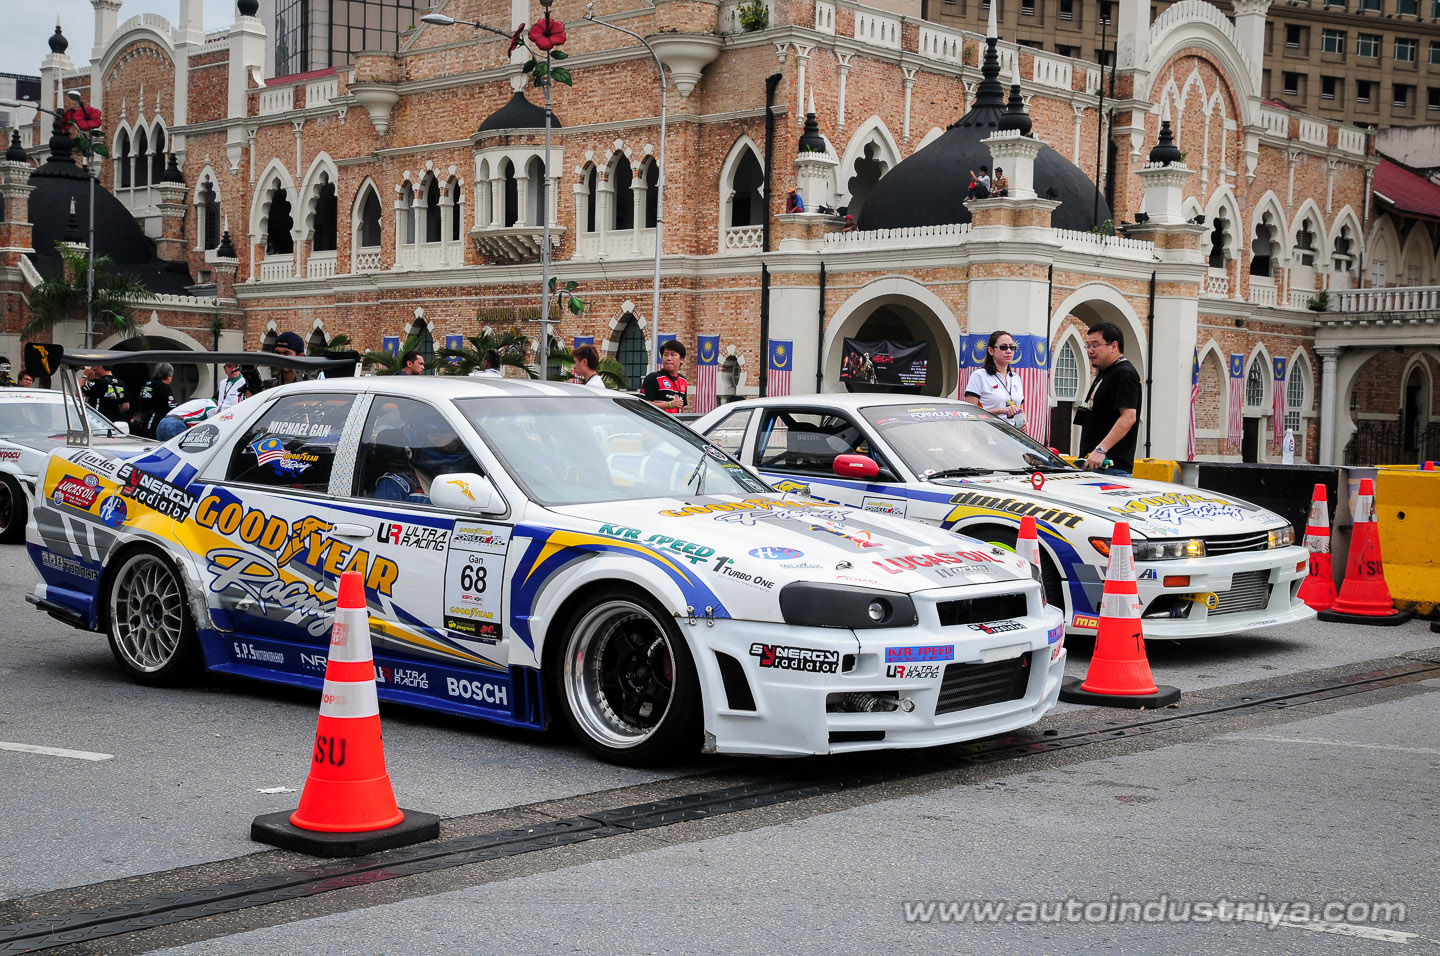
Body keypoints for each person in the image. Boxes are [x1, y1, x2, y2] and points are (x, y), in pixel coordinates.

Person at [373, 411, 478, 504]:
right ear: (419, 439)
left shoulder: (477, 480)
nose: (447, 442)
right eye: (436, 436)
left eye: (451, 435)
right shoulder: (396, 485)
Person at [1079, 321, 1141, 475]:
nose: (1090, 351)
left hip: (1111, 467)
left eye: (1095, 345)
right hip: (1094, 464)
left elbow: (1128, 417)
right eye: (1088, 346)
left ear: (1114, 346)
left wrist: (1101, 450)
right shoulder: (1105, 372)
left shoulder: (1124, 373)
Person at [964, 330, 1026, 429]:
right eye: (1003, 347)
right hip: (988, 434)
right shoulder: (979, 376)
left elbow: (1021, 408)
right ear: (991, 350)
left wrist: (1023, 422)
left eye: (1012, 347)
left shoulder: (1015, 378)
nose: (1009, 351)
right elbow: (970, 413)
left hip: (1013, 436)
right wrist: (1000, 410)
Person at [642, 340, 688, 413]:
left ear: (682, 359)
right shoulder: (653, 378)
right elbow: (642, 404)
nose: (668, 358)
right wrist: (668, 404)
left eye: (673, 355)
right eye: (665, 355)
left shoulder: (683, 381)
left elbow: (681, 406)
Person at [137, 364, 177, 439]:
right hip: (156, 422)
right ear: (168, 377)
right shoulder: (163, 387)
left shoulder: (147, 384)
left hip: (143, 420)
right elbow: (172, 407)